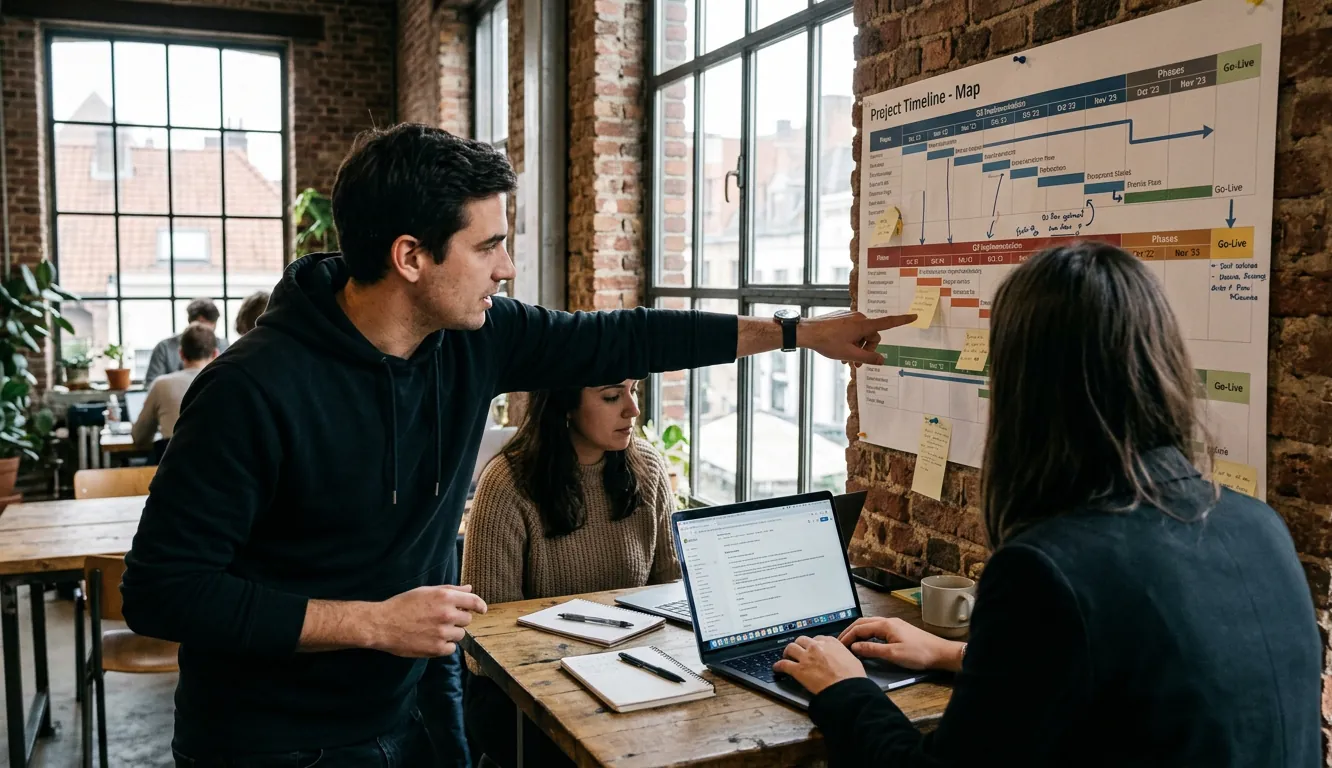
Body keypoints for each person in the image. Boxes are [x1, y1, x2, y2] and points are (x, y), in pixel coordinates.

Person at [120, 123, 912, 767]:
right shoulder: (251, 390)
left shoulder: (475, 336)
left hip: (419, 708)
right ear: (410, 256)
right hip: (272, 740)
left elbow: (624, 334)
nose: (507, 269)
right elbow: (161, 591)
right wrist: (370, 623)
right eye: (489, 245)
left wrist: (797, 333)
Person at [773, 242, 1322, 767]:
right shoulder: (1257, 524)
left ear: (1023, 385)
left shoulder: (1046, 570)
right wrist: (956, 655)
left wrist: (844, 687)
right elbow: (1134, 677)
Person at [461, 380, 675, 766]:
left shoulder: (648, 466)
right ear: (565, 406)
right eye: (612, 396)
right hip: (529, 695)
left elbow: (672, 594)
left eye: (635, 391)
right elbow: (483, 649)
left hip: (634, 676)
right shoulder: (507, 484)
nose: (632, 410)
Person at [131, 324, 219, 450]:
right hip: (218, 464)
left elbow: (139, 436)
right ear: (216, 353)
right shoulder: (227, 383)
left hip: (173, 464)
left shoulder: (161, 384)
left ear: (181, 353)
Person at [144, 298, 228, 382]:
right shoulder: (164, 348)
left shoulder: (223, 346)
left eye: (212, 327)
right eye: (201, 325)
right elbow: (151, 383)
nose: (205, 335)